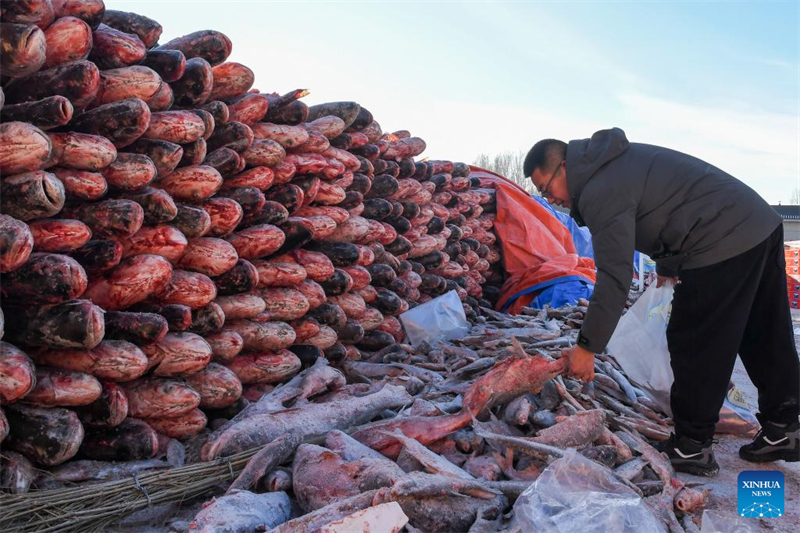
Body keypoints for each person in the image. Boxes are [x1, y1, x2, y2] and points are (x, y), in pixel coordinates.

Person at [523, 128, 800, 476]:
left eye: (547, 189)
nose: (550, 199)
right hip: (756, 223)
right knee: (761, 330)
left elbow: (614, 276)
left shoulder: (598, 188)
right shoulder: (613, 163)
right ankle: (785, 427)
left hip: (721, 238)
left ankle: (691, 446)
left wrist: (587, 347)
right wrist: (669, 263)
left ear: (564, 167)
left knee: (696, 338)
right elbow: (668, 202)